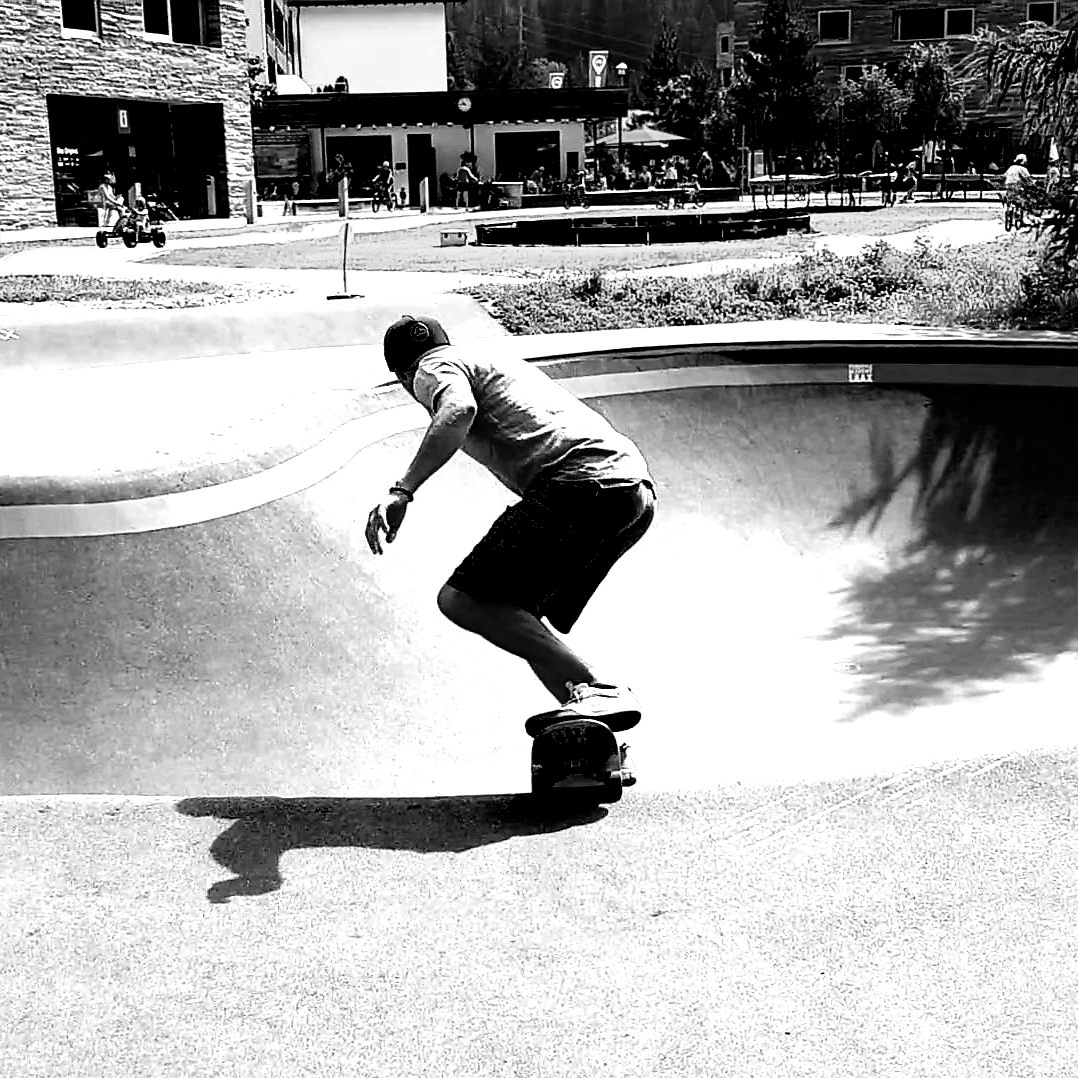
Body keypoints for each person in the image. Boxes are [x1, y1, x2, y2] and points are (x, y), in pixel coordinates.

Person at [366, 315, 657, 735]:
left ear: (402, 377)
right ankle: (592, 729)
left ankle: (600, 690)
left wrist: (402, 490)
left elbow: (459, 410)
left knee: (464, 600)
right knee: (518, 616)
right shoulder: (485, 359)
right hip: (629, 491)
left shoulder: (430, 369)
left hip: (580, 483)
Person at [1002, 153, 1032, 225]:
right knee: (1021, 199)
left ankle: (1009, 209)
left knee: (1010, 198)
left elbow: (1004, 176)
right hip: (1017, 186)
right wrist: (1031, 183)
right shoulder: (1022, 168)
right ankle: (1018, 212)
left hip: (1008, 185)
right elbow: (1028, 178)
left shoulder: (1011, 167)